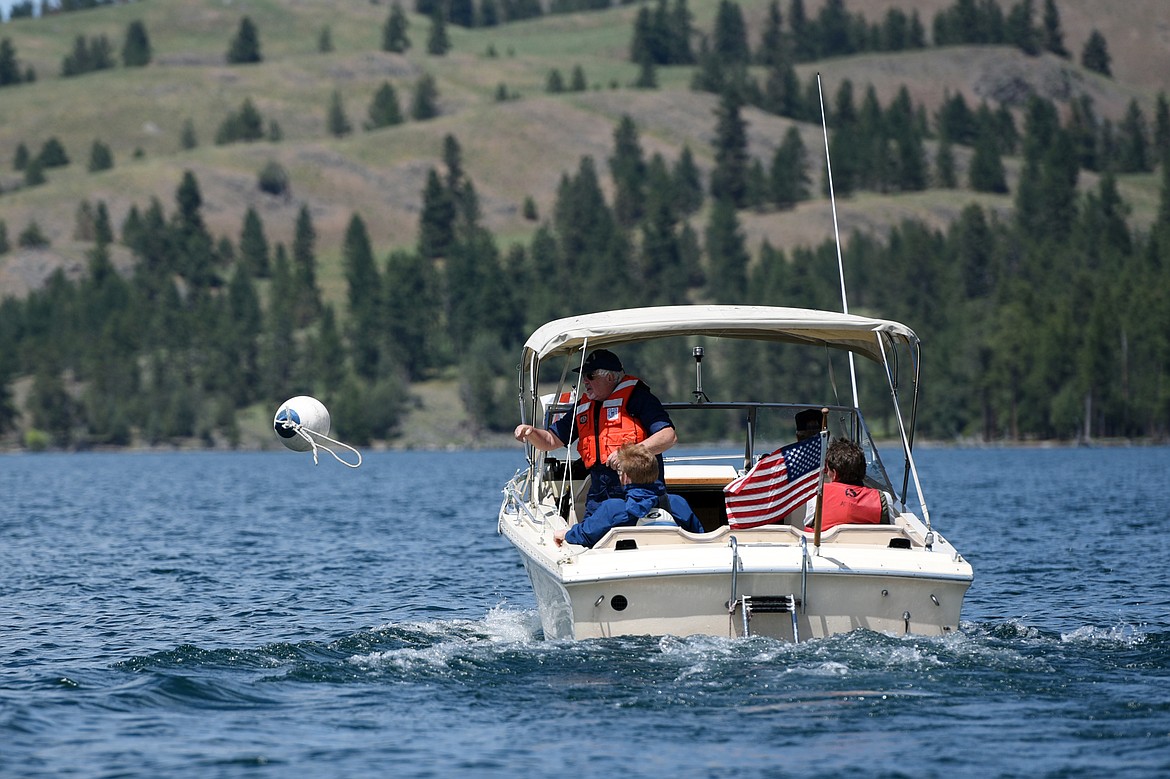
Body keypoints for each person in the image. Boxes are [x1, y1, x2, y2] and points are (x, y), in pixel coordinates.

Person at [514, 348, 677, 517]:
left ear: (610, 377)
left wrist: (628, 454)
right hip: (600, 493)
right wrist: (531, 432)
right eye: (583, 376)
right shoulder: (583, 408)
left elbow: (668, 436)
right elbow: (551, 440)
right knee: (590, 535)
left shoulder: (640, 399)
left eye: (590, 375)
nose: (585, 380)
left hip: (639, 490)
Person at [554, 443, 703, 548]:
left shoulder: (612, 509)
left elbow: (585, 535)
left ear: (625, 477)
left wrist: (565, 534)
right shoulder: (677, 503)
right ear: (656, 473)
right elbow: (698, 536)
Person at [805, 438, 895, 533]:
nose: (827, 474)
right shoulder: (883, 499)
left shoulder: (817, 495)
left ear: (834, 473)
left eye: (828, 470)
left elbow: (809, 533)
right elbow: (891, 533)